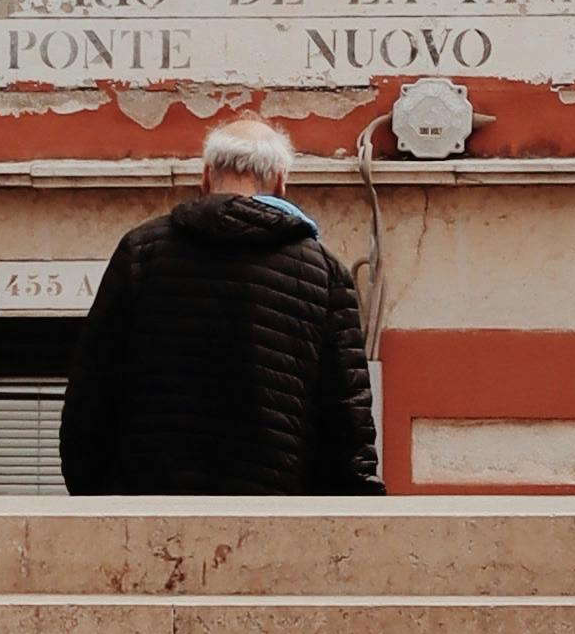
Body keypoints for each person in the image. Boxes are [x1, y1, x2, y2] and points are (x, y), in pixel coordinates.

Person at [56, 119, 382, 496]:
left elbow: (89, 398)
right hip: (274, 516)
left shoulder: (140, 252)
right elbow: (348, 420)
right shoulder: (325, 272)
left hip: (150, 512)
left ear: (207, 176)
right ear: (280, 181)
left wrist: (99, 501)